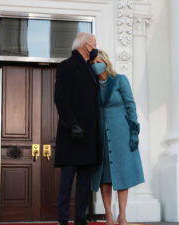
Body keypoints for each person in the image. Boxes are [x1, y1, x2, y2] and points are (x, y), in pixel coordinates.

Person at [90, 50, 145, 225]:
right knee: (104, 177)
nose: (95, 65)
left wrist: (134, 131)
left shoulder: (120, 80)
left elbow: (130, 105)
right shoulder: (92, 85)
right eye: (92, 64)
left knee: (123, 174)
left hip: (121, 133)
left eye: (97, 61)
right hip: (101, 135)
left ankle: (122, 215)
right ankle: (108, 215)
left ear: (105, 61)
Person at [54, 32, 102, 225]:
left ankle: (81, 219)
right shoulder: (67, 65)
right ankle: (63, 220)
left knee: (84, 183)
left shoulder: (91, 69)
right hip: (72, 135)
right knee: (66, 182)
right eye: (95, 44)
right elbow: (61, 98)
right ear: (85, 46)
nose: (96, 47)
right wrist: (72, 124)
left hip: (89, 136)